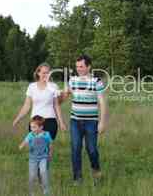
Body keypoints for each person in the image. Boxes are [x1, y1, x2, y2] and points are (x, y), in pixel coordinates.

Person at [61, 55, 109, 186]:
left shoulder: (96, 81)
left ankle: (97, 173)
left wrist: (102, 122)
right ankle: (77, 179)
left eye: (81, 66)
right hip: (75, 121)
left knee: (92, 149)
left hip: (91, 122)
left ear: (89, 66)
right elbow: (63, 98)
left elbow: (103, 103)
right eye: (77, 67)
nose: (79, 69)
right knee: (76, 149)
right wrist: (60, 94)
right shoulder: (72, 80)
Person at [13, 62, 67, 139]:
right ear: (38, 73)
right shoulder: (32, 87)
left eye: (48, 73)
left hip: (50, 121)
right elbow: (26, 106)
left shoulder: (53, 86)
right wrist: (17, 119)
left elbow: (56, 105)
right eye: (44, 73)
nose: (46, 75)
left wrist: (61, 123)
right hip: (35, 122)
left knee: (46, 147)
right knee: (36, 147)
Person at [19, 116, 53, 196]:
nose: (31, 129)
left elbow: (51, 143)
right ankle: (31, 192)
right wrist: (22, 145)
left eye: (34, 127)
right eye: (31, 127)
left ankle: (46, 191)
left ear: (41, 127)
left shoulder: (46, 134)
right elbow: (25, 141)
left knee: (43, 172)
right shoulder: (31, 135)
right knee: (32, 175)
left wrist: (50, 153)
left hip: (43, 157)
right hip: (33, 159)